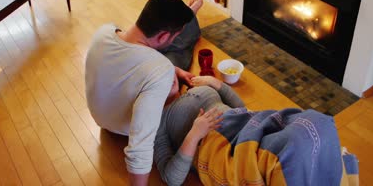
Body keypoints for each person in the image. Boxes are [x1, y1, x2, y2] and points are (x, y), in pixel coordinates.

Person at [85, 0, 203, 185]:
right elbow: (140, 145)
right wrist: (170, 97)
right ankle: (188, 22)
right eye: (171, 35)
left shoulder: (104, 31)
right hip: (122, 126)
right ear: (164, 34)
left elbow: (132, 60)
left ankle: (187, 18)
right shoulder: (160, 69)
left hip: (101, 116)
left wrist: (172, 71)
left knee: (169, 55)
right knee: (178, 50)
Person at [154, 76, 360, 186]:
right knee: (293, 150)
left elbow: (240, 107)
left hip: (250, 125)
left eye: (167, 70)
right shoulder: (157, 124)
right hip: (221, 146)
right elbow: (171, 177)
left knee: (318, 123)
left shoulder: (193, 88)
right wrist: (194, 134)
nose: (168, 75)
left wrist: (219, 85)